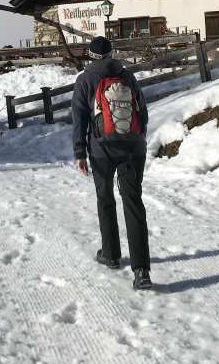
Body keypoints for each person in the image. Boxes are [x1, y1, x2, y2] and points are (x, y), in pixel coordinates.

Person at [71, 36, 152, 291]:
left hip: (101, 150)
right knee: (133, 203)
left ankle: (111, 254)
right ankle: (142, 272)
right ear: (111, 54)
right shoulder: (127, 76)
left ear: (90, 55)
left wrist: (80, 153)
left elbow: (79, 120)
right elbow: (143, 113)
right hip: (132, 147)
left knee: (105, 199)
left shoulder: (84, 80)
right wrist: (136, 140)